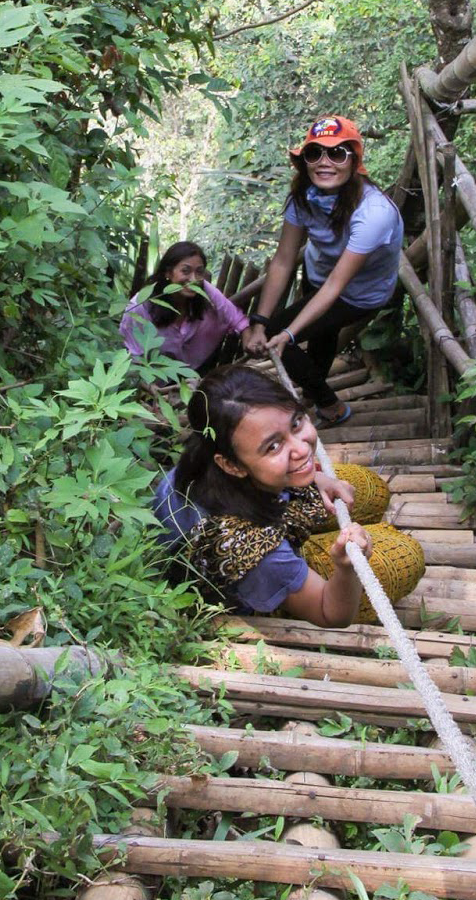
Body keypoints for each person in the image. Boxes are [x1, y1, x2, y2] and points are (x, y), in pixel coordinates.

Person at [151, 364, 424, 626]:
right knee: (405, 556)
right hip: (251, 572)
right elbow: (331, 614)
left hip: (261, 506)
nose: (302, 450)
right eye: (273, 446)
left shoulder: (204, 459)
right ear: (231, 465)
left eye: (296, 423)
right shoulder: (253, 553)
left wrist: (314, 475)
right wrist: (345, 567)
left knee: (367, 488)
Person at [245, 116, 404, 426]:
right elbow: (283, 260)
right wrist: (259, 321)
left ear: (354, 160)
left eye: (337, 153)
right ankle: (314, 395)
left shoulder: (373, 213)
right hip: (318, 275)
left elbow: (335, 287)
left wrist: (282, 333)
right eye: (314, 153)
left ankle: (329, 405)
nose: (324, 162)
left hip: (357, 294)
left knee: (283, 339)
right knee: (321, 336)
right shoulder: (305, 196)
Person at [120, 241, 259, 372]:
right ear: (168, 272)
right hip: (151, 379)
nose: (193, 279)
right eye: (185, 271)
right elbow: (132, 355)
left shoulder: (204, 289)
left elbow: (236, 317)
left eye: (199, 272)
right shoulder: (141, 306)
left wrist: (249, 339)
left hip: (190, 372)